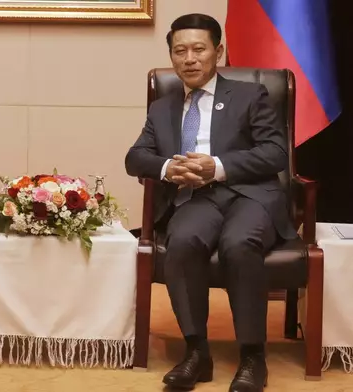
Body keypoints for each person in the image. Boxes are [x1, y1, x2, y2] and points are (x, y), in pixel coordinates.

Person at [125, 13, 297, 392]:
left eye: (199, 49)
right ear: (171, 57)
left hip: (249, 194)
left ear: (217, 52)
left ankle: (252, 356)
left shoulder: (251, 95)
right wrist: (170, 167)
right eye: (180, 51)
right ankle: (196, 353)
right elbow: (135, 158)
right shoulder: (163, 108)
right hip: (197, 199)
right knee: (182, 242)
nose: (189, 58)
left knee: (239, 244)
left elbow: (275, 154)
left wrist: (217, 166)